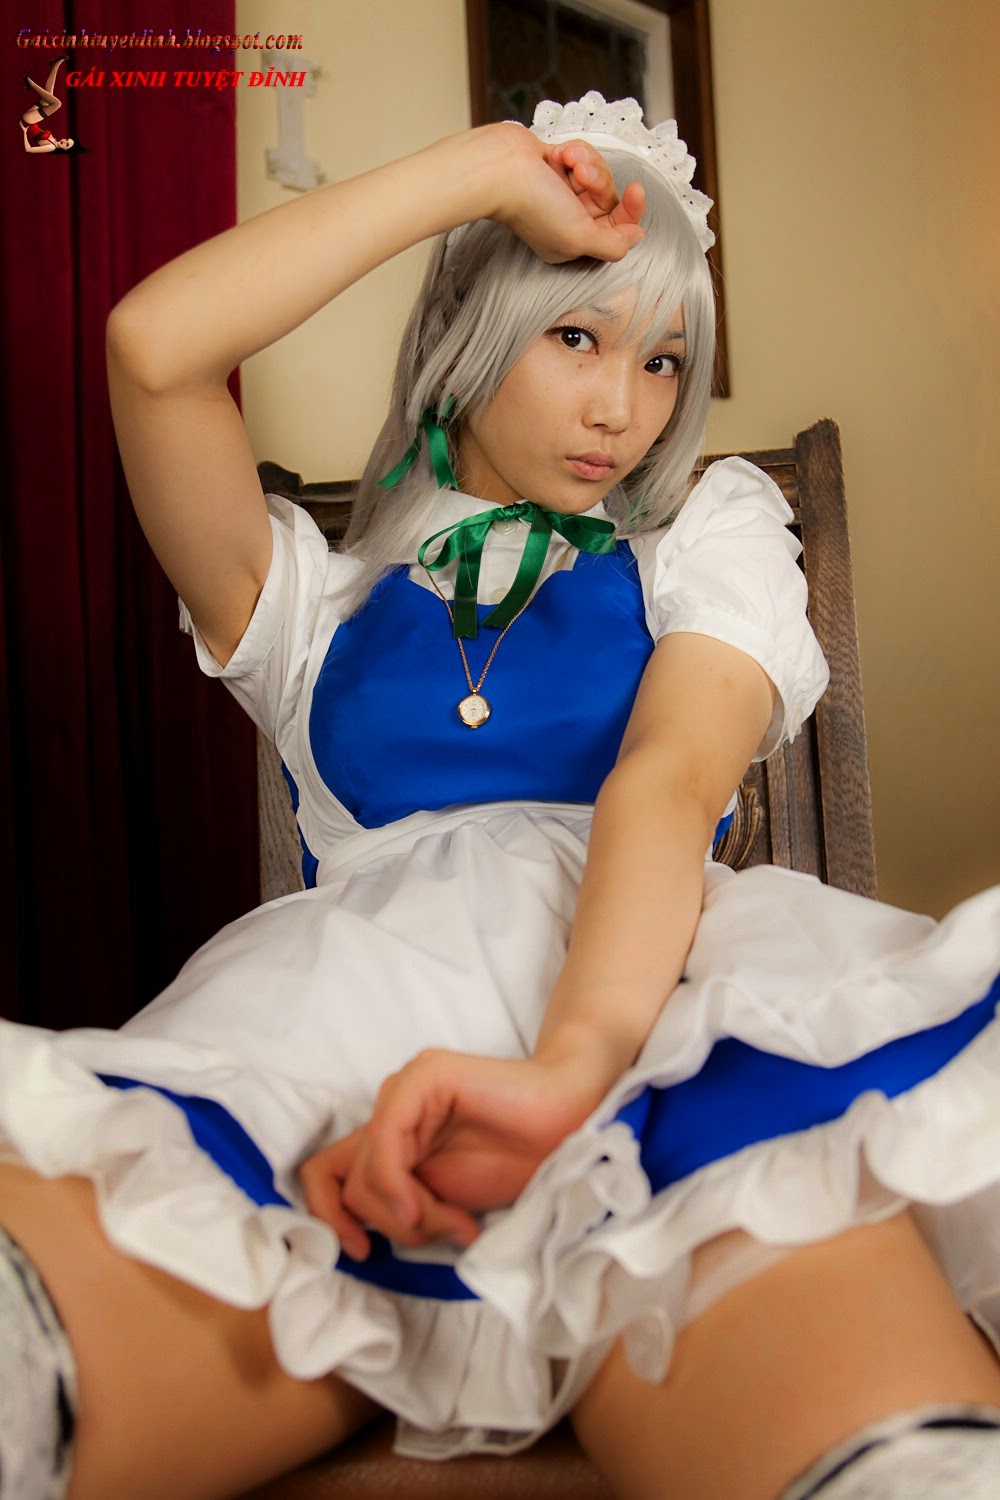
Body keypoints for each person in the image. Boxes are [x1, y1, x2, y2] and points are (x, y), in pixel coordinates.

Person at [1, 91, 999, 1500]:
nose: (621, 409)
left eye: (663, 360)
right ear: (468, 335)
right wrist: (482, 175)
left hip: (660, 1004)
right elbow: (153, 348)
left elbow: (664, 785)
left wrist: (574, 1064)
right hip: (332, 1033)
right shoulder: (304, 604)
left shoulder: (704, 542)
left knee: (893, 1465)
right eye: (574, 335)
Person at [19, 58, 75, 154]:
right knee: (48, 97)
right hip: (31, 120)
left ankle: (31, 84)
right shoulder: (54, 140)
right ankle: (55, 67)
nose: (64, 142)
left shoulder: (51, 147)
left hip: (28, 121)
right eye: (66, 140)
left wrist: (24, 132)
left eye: (66, 145)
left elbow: (29, 149)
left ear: (65, 149)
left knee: (57, 104)